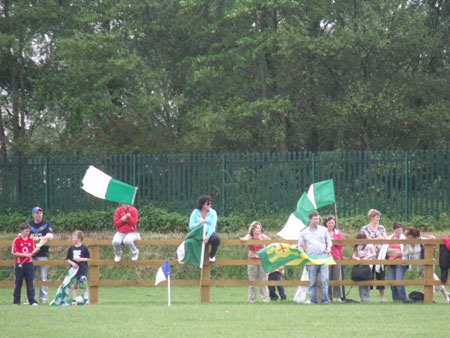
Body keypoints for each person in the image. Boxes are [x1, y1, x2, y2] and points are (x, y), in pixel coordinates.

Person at [404, 226, 450, 302]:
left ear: (412, 235)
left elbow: (433, 240)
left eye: (407, 235)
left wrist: (432, 237)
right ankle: (446, 295)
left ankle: (434, 296)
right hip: (420, 264)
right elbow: (405, 253)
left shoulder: (421, 240)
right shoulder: (407, 243)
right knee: (432, 278)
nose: (405, 236)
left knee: (431, 277)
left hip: (428, 262)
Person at [298, 211, 332, 305]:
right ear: (310, 220)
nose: (317, 221)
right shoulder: (304, 232)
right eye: (315, 219)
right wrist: (303, 254)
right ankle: (313, 300)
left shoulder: (323, 230)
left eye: (318, 219)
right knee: (312, 282)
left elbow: (329, 241)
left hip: (323, 257)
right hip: (311, 258)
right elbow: (300, 245)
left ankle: (325, 301)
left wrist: (329, 247)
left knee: (324, 280)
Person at [240, 221, 270, 303]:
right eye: (257, 228)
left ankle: (265, 299)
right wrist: (243, 239)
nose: (259, 229)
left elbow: (271, 242)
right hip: (252, 260)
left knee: (264, 280)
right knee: (252, 281)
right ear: (253, 229)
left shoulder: (263, 236)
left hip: (263, 261)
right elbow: (245, 239)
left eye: (260, 228)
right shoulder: (250, 236)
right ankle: (251, 300)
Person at [360, 209, 387, 302]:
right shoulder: (365, 228)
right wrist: (379, 238)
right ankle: (368, 296)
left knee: (381, 276)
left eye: (379, 217)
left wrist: (377, 239)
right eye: (377, 217)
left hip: (380, 255)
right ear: (371, 218)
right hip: (369, 255)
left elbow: (385, 239)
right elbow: (368, 239)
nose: (378, 219)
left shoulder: (381, 228)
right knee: (369, 275)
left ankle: (382, 297)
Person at [28, 206, 54, 303]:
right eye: (37, 213)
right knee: (31, 277)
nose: (39, 215)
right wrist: (31, 239)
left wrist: (39, 240)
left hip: (43, 254)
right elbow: (22, 236)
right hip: (31, 255)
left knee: (43, 277)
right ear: (33, 214)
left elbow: (50, 236)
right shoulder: (29, 225)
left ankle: (43, 299)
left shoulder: (46, 224)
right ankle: (30, 298)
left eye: (40, 213)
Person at [12, 223, 40, 305]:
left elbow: (32, 251)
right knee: (18, 283)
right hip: (19, 263)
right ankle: (16, 301)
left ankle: (31, 300)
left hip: (29, 264)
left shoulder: (30, 240)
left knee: (30, 282)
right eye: (26, 231)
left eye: (29, 231)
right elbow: (15, 252)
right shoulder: (17, 240)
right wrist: (25, 255)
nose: (28, 233)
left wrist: (35, 251)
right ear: (21, 231)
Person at [189, 195, 220, 262]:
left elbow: (212, 226)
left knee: (216, 239)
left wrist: (207, 236)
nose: (210, 205)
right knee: (190, 241)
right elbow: (191, 226)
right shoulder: (195, 212)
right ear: (202, 204)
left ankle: (212, 255)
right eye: (208, 203)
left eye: (211, 203)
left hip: (209, 232)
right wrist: (198, 223)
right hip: (198, 232)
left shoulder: (213, 213)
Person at [382, 222, 407, 302]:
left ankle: (403, 298)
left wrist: (395, 252)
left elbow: (404, 251)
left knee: (399, 281)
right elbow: (386, 251)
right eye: (397, 230)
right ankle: (395, 299)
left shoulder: (404, 238)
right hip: (391, 262)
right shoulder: (389, 238)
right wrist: (397, 251)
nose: (399, 232)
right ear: (393, 230)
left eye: (400, 230)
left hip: (400, 263)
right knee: (392, 281)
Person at [66, 230, 91, 306]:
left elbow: (88, 258)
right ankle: (74, 300)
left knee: (84, 285)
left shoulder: (84, 248)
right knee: (74, 286)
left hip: (82, 270)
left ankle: (86, 300)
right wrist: (72, 263)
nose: (73, 239)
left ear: (79, 238)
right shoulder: (71, 248)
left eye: (74, 237)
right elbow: (68, 259)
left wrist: (81, 259)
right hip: (74, 271)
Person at [325, 215, 344, 302]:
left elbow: (341, 245)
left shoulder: (338, 233)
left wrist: (334, 241)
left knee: (337, 277)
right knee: (326, 277)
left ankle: (338, 296)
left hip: (336, 256)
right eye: (329, 223)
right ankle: (328, 295)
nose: (331, 224)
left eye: (332, 223)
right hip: (326, 257)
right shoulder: (323, 232)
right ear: (326, 223)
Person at [352, 232, 376, 302]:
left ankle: (367, 297)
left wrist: (367, 257)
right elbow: (353, 255)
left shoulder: (369, 245)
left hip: (367, 265)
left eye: (362, 238)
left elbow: (374, 253)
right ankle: (362, 297)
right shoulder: (357, 245)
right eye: (359, 238)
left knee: (366, 280)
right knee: (360, 279)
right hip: (360, 264)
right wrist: (357, 259)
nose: (361, 240)